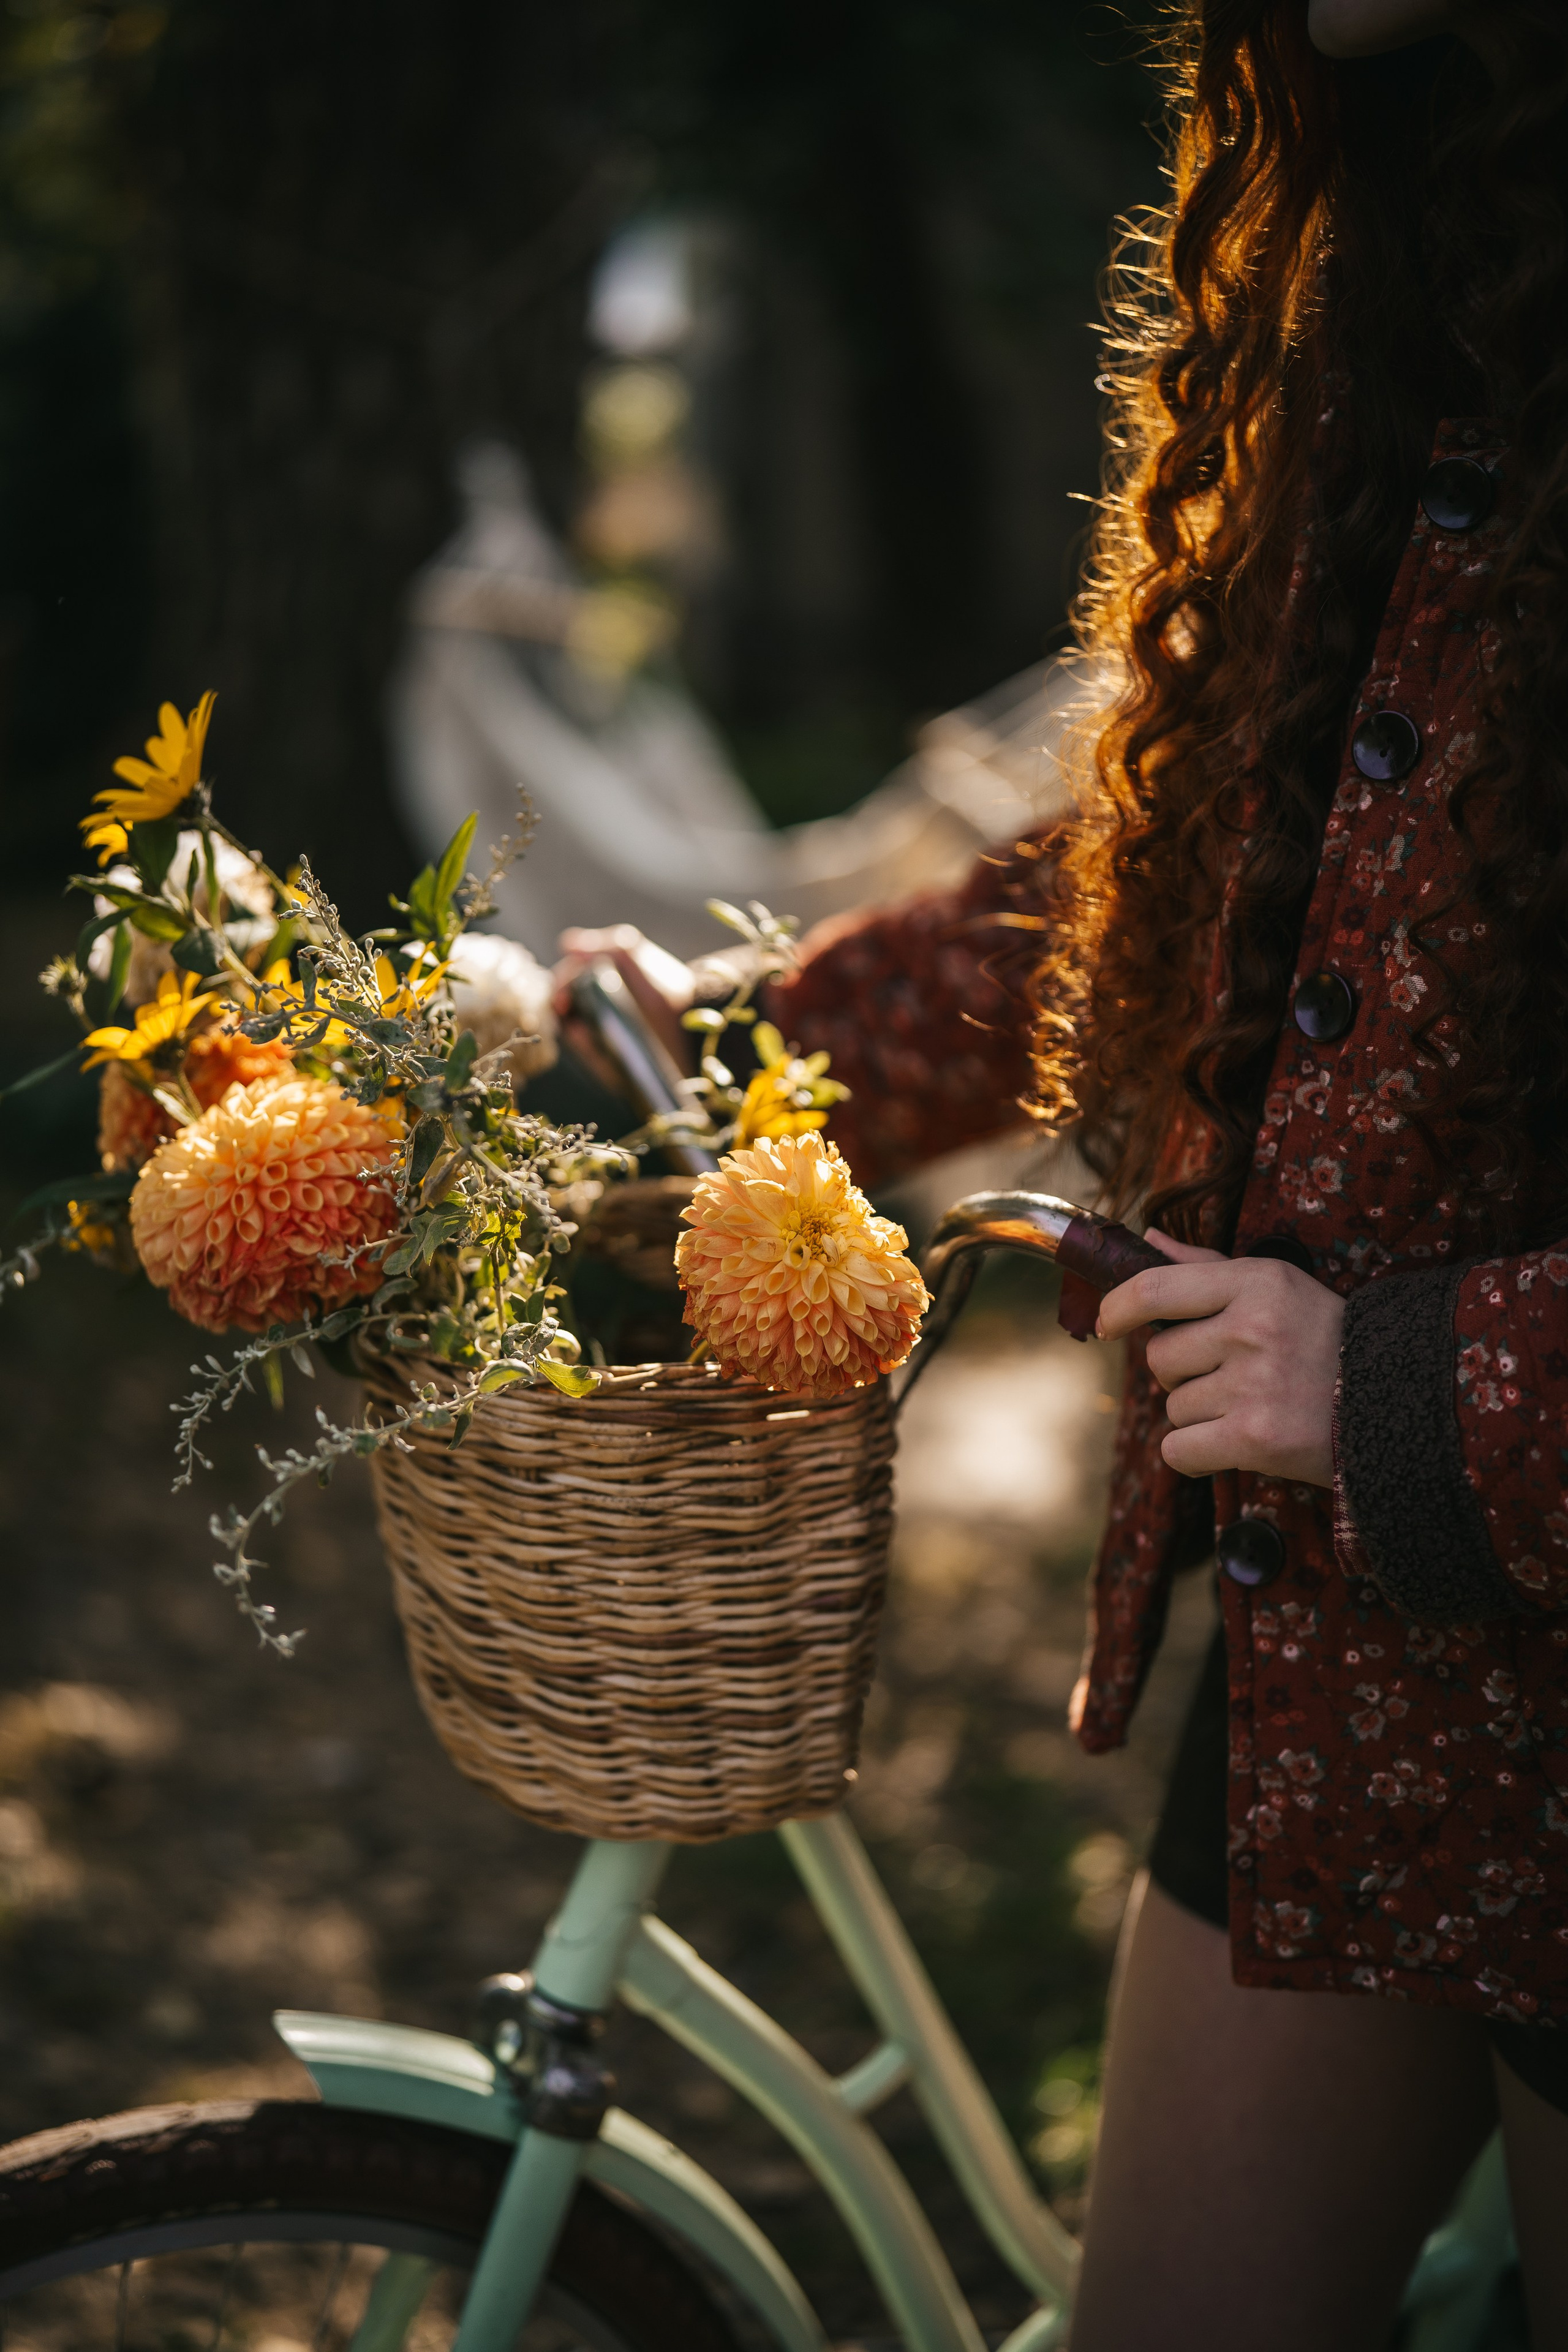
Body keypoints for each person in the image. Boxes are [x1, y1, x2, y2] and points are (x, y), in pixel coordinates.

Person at [559, 2, 1568, 2342]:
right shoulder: (1392, 263)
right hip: (1360, 1696)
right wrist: (708, 1041)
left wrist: (1408, 1382)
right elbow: (1169, 868)